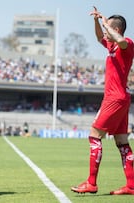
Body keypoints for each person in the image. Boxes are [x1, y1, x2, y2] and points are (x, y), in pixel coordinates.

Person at [71, 7, 134, 195]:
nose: (105, 33)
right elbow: (100, 37)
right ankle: (131, 186)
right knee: (122, 141)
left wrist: (107, 24)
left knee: (94, 135)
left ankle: (91, 183)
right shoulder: (111, 45)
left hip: (115, 98)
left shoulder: (127, 43)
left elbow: (121, 40)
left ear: (116, 29)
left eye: (108, 29)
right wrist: (97, 22)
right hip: (120, 97)